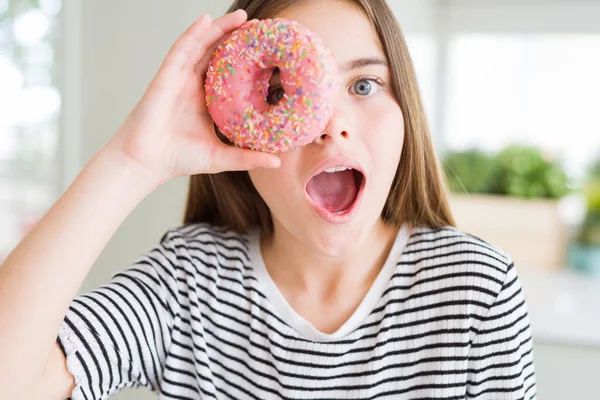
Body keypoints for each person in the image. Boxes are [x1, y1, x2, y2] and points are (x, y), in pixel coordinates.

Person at [0, 0, 537, 398]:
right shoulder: (189, 283)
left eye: (365, 85)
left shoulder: (474, 292)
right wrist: (131, 161)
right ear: (235, 129)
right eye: (279, 92)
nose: (332, 126)